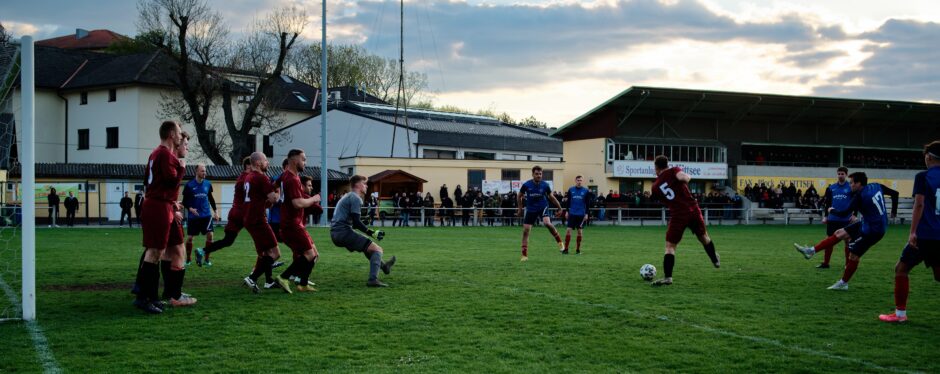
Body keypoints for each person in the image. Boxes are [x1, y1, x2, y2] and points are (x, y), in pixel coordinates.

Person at [794, 172, 899, 290]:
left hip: (873, 230)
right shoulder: (876, 185)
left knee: (854, 256)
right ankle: (811, 251)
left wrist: (831, 210)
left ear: (859, 183)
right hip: (870, 223)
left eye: (852, 182)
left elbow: (844, 213)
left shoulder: (859, 196)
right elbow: (895, 194)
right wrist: (893, 211)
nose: (850, 185)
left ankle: (843, 283)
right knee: (839, 233)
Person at [132, 120, 191, 314]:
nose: (181, 136)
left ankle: (153, 295)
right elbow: (171, 181)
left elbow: (153, 181)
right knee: (155, 251)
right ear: (171, 135)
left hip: (160, 204)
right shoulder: (164, 154)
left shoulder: (157, 153)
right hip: (158, 205)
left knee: (159, 250)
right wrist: (182, 168)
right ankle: (144, 297)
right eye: (179, 132)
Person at [880, 141, 940, 323]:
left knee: (901, 269)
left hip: (925, 234)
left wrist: (912, 232)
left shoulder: (923, 176)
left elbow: (919, 204)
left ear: (928, 157)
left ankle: (900, 315)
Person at [649, 156, 720, 286]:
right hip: (693, 209)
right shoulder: (674, 170)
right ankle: (715, 260)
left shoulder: (655, 186)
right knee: (704, 237)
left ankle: (668, 278)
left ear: (656, 168)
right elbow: (684, 178)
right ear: (667, 165)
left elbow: (660, 198)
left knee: (670, 247)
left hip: (678, 214)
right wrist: (686, 177)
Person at [330, 175, 397, 287]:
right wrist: (371, 233)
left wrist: (364, 222)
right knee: (377, 250)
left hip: (337, 233)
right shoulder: (356, 198)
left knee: (368, 249)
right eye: (364, 183)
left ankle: (384, 266)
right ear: (358, 185)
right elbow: (356, 223)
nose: (366, 186)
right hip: (343, 232)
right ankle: (373, 280)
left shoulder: (348, 196)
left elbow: (354, 222)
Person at [240, 152, 291, 294]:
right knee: (275, 253)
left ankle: (268, 281)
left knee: (266, 252)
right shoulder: (261, 177)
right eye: (265, 160)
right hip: (257, 219)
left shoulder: (249, 177)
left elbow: (264, 202)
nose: (267, 163)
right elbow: (273, 199)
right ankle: (252, 278)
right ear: (258, 163)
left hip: (250, 218)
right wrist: (279, 188)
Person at [274, 149, 323, 292]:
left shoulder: (284, 176)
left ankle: (303, 283)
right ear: (295, 161)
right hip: (292, 224)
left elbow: (275, 186)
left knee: (313, 254)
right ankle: (284, 277)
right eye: (304, 159)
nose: (305, 162)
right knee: (309, 255)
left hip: (292, 223)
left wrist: (276, 197)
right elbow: (297, 203)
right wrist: (314, 199)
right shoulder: (292, 179)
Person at [196, 157, 250, 265]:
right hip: (242, 214)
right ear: (248, 165)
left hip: (236, 213)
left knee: (228, 241)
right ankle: (267, 262)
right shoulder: (247, 178)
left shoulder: (242, 177)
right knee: (262, 237)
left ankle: (202, 251)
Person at [516, 165, 565, 261]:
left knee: (547, 223)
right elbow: (519, 196)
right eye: (536, 174)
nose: (539, 175)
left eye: (540, 174)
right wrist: (520, 208)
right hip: (531, 209)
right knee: (526, 231)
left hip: (543, 206)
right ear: (532, 174)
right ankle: (524, 256)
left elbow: (551, 197)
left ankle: (560, 243)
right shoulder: (526, 185)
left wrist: (560, 208)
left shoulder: (545, 185)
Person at [183, 164, 220, 267]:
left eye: (205, 171)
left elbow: (211, 199)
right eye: (202, 171)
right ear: (197, 172)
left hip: (206, 215)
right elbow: (184, 201)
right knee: (190, 238)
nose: (204, 173)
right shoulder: (189, 185)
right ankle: (188, 259)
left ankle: (207, 260)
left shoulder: (208, 184)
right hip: (193, 217)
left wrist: (216, 211)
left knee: (210, 235)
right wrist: (190, 208)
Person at [818, 167, 852, 269]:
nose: (840, 175)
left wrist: (854, 214)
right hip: (832, 219)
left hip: (846, 219)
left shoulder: (850, 187)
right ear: (837, 175)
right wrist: (826, 216)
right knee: (829, 241)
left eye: (842, 174)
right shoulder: (831, 188)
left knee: (847, 241)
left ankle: (847, 264)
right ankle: (826, 263)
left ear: (846, 175)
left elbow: (855, 202)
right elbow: (827, 203)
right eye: (839, 174)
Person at [563, 176, 594, 255]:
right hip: (572, 213)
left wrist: (587, 214)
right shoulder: (571, 189)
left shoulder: (586, 191)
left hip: (581, 214)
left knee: (579, 232)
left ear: (582, 181)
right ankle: (566, 249)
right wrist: (566, 211)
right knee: (568, 231)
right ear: (575, 180)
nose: (579, 181)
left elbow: (587, 204)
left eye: (580, 180)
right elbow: (568, 202)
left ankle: (578, 250)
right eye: (578, 180)